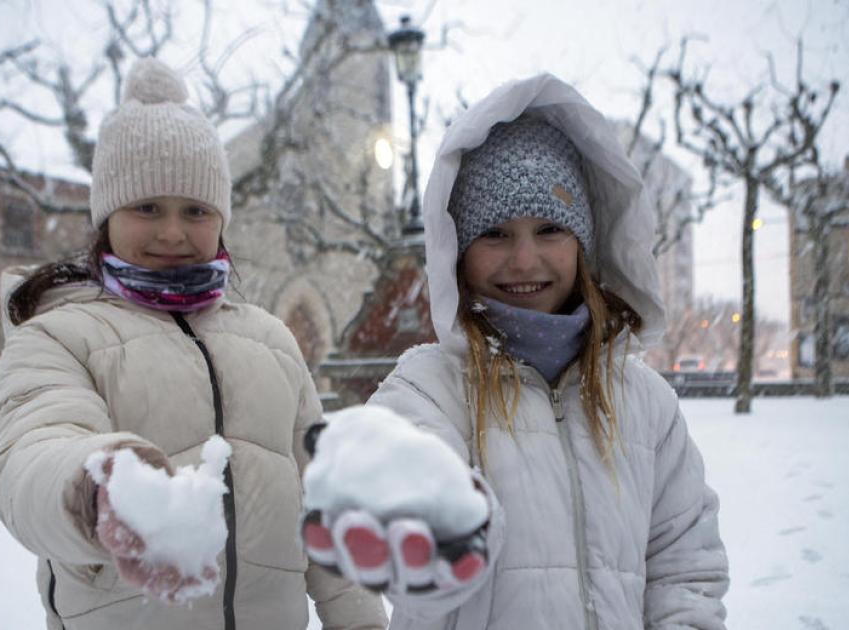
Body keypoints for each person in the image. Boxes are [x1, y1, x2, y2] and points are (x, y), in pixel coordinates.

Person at [301, 74, 729, 629]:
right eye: (496, 234)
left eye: (549, 229)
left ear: (583, 244)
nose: (525, 261)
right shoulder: (427, 391)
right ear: (457, 250)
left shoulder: (645, 404)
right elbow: (420, 551)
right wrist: (436, 524)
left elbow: (685, 566)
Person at [0, 57, 387, 630]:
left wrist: (362, 620)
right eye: (147, 207)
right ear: (107, 215)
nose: (172, 232)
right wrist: (96, 487)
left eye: (196, 211)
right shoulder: (58, 334)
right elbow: (30, 453)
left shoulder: (271, 342)